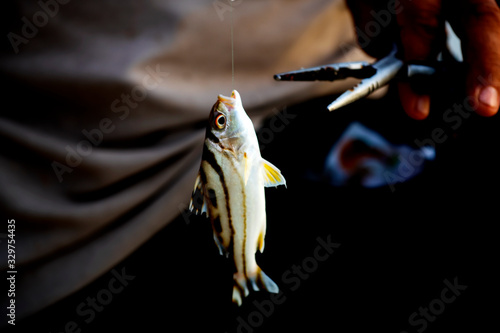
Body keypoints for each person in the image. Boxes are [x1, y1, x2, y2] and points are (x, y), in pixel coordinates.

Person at [1, 0, 498, 327]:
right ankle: (245, 271)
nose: (224, 109)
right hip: (53, 247)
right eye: (222, 121)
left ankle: (245, 271)